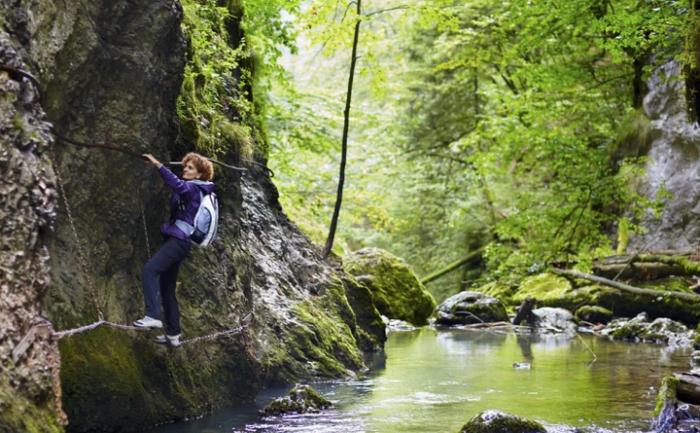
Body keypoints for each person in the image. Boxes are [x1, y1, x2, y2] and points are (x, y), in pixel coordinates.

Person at [133, 152, 215, 347]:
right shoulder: (196, 189)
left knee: (150, 270)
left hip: (179, 242)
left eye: (191, 168)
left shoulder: (193, 189)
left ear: (200, 174)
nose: (185, 169)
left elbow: (177, 184)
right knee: (167, 288)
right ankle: (173, 334)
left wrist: (157, 164)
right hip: (180, 242)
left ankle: (152, 315)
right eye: (185, 166)